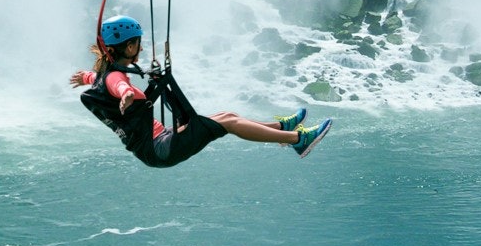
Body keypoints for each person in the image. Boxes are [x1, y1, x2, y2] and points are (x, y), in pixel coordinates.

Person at [70, 15, 331, 168]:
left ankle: (281, 128)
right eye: (138, 42)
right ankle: (298, 140)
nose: (141, 46)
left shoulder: (101, 77)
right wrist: (127, 93)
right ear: (129, 47)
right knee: (228, 122)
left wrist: (85, 77)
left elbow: (103, 81)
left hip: (159, 142)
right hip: (161, 148)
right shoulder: (116, 78)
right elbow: (119, 86)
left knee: (226, 115)